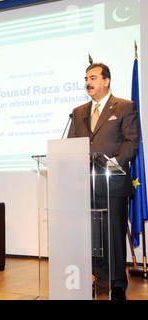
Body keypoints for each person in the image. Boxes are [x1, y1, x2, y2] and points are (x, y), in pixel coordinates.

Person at [67, 62, 140, 300]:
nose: (88, 82)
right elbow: (71, 145)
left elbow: (131, 142)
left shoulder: (125, 107)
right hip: (84, 183)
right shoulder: (78, 112)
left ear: (106, 81)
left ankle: (118, 283)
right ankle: (100, 279)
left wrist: (113, 163)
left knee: (114, 235)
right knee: (93, 235)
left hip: (113, 181)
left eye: (93, 77)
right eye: (86, 78)